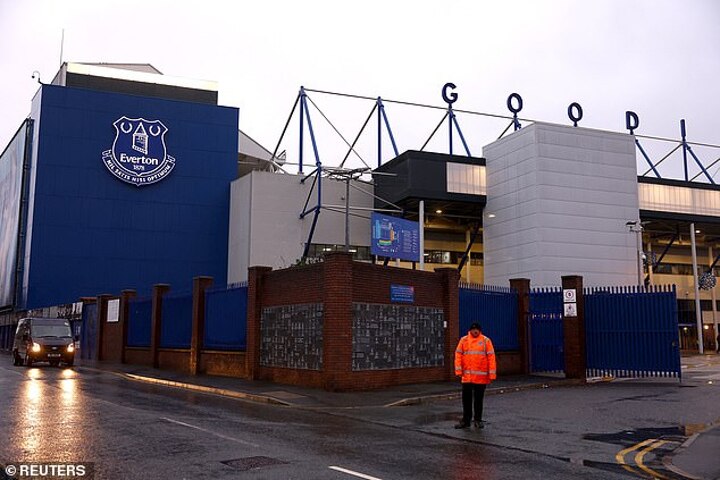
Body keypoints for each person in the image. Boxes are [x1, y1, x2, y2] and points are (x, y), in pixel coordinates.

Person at [454, 322, 496, 429]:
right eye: (473, 330)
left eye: (477, 329)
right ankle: (466, 421)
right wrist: (458, 371)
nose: (475, 331)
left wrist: (492, 374)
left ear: (480, 330)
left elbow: (491, 358)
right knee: (466, 400)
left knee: (478, 400)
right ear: (470, 330)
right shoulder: (464, 340)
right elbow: (458, 355)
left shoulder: (486, 341)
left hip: (481, 377)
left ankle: (478, 420)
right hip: (467, 377)